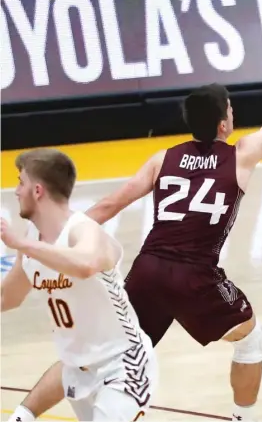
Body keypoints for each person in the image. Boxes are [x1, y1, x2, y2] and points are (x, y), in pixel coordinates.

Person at [4, 14, 262, 422]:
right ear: (224, 123)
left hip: (148, 269)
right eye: (230, 109)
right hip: (195, 275)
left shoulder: (163, 159)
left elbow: (108, 206)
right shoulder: (241, 154)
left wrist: (56, 240)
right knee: (252, 341)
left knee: (93, 354)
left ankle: (22, 413)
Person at [0, 149, 158, 421]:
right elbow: (8, 297)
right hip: (77, 371)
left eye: (20, 182)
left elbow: (85, 264)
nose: (16, 191)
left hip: (125, 364)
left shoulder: (83, 229)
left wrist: (22, 245)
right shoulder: (33, 239)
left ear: (37, 191)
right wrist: (25, 246)